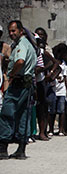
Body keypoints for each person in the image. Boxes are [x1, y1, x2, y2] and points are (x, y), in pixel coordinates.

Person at [0, 20, 37, 159]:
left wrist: (11, 74)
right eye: (9, 31)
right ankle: (21, 149)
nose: (11, 34)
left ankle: (3, 148)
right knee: (23, 116)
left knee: (6, 114)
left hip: (18, 85)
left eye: (13, 31)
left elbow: (20, 61)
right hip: (27, 85)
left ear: (21, 31)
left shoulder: (22, 44)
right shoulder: (29, 44)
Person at [47, 43, 67, 137]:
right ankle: (51, 129)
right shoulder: (51, 64)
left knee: (61, 110)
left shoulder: (65, 66)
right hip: (52, 89)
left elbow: (66, 79)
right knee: (51, 111)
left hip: (62, 91)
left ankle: (61, 129)